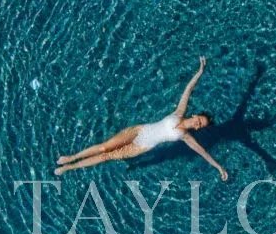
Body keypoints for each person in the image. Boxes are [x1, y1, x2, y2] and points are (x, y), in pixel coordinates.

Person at [55, 57, 227, 180]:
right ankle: (71, 157)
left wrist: (218, 167)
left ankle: (69, 167)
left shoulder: (186, 137)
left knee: (106, 157)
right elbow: (188, 90)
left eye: (200, 125)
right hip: (138, 131)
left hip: (142, 147)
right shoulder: (179, 112)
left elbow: (203, 153)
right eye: (200, 120)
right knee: (104, 147)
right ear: (196, 115)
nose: (198, 123)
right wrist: (200, 71)